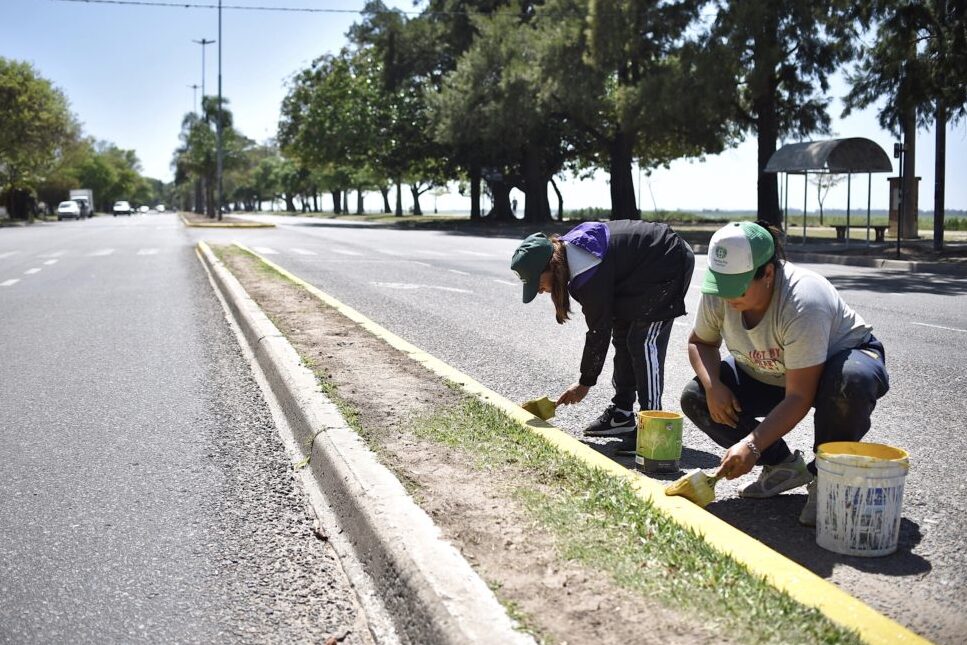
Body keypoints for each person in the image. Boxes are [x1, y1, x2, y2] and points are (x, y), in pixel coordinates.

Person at [679, 221, 890, 526]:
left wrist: (751, 445)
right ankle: (782, 466)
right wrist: (713, 387)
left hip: (837, 366)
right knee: (696, 396)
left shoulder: (802, 300)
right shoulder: (720, 290)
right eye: (720, 285)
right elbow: (701, 343)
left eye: (735, 288)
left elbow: (799, 395)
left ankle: (828, 479)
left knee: (851, 382)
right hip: (773, 371)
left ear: (767, 273)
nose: (726, 298)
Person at [511, 220, 695, 453]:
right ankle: (622, 414)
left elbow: (598, 330)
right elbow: (607, 325)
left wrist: (584, 382)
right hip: (640, 269)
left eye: (537, 283)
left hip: (667, 258)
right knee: (622, 334)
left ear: (550, 266)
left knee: (643, 341)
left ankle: (652, 425)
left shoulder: (585, 267)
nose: (539, 291)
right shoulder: (569, 254)